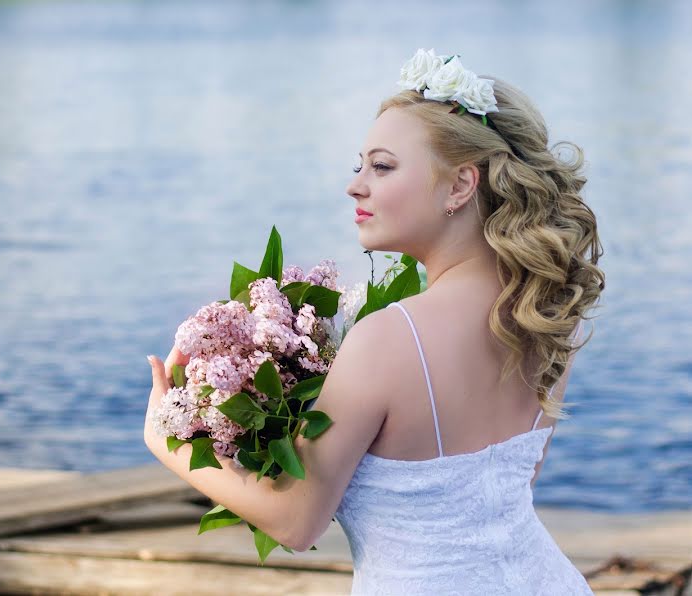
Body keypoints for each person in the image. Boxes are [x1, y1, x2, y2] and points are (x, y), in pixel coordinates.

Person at [144, 48, 605, 595]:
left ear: (460, 185)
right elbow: (508, 486)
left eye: (382, 166)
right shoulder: (548, 317)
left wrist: (165, 435)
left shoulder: (388, 339)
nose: (355, 185)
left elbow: (295, 520)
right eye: (358, 165)